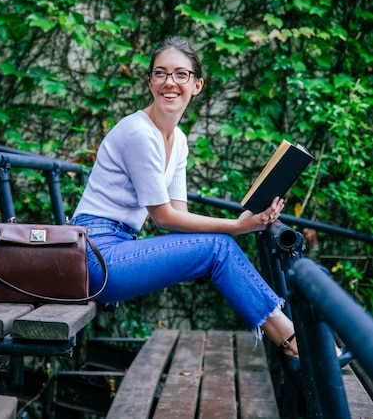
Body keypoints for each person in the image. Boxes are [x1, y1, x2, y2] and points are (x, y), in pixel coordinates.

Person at [70, 35, 306, 364]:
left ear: (196, 85)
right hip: (96, 255)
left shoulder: (178, 140)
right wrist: (239, 226)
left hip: (115, 248)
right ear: (150, 82)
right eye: (161, 73)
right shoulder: (139, 132)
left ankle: (293, 338)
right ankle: (293, 341)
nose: (170, 82)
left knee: (217, 247)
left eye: (181, 74)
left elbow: (178, 214)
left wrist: (251, 219)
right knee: (218, 248)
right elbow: (164, 218)